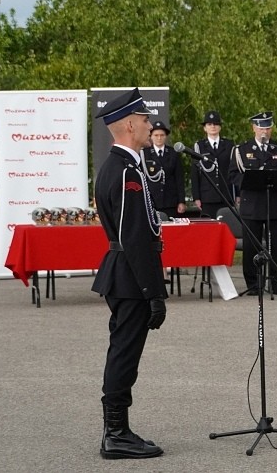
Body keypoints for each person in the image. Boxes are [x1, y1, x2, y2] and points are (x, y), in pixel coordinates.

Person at [89, 88, 166, 459]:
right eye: (147, 120)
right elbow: (134, 235)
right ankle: (115, 433)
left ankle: (118, 430)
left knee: (124, 351)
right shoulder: (122, 171)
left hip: (126, 273)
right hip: (131, 276)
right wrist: (154, 291)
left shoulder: (124, 166)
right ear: (131, 124)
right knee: (124, 354)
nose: (151, 126)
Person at [229, 111, 277, 296]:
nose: (264, 131)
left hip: (274, 203)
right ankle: (254, 284)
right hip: (252, 204)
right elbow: (234, 174)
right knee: (252, 245)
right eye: (261, 127)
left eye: (267, 127)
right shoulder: (242, 150)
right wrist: (248, 181)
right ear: (254, 128)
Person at [190, 110, 235, 220]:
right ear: (205, 128)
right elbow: (195, 173)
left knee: (227, 226)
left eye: (216, 124)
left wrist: (237, 194)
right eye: (209, 124)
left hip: (226, 194)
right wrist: (196, 197)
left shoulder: (229, 145)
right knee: (209, 228)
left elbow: (234, 170)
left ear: (220, 127)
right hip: (207, 196)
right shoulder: (199, 146)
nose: (213, 127)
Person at [141, 121, 186, 218]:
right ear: (151, 136)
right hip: (152, 201)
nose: (159, 138)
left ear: (166, 136)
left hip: (170, 201)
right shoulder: (144, 154)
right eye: (156, 135)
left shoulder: (173, 153)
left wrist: (181, 201)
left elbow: (179, 179)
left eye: (162, 135)